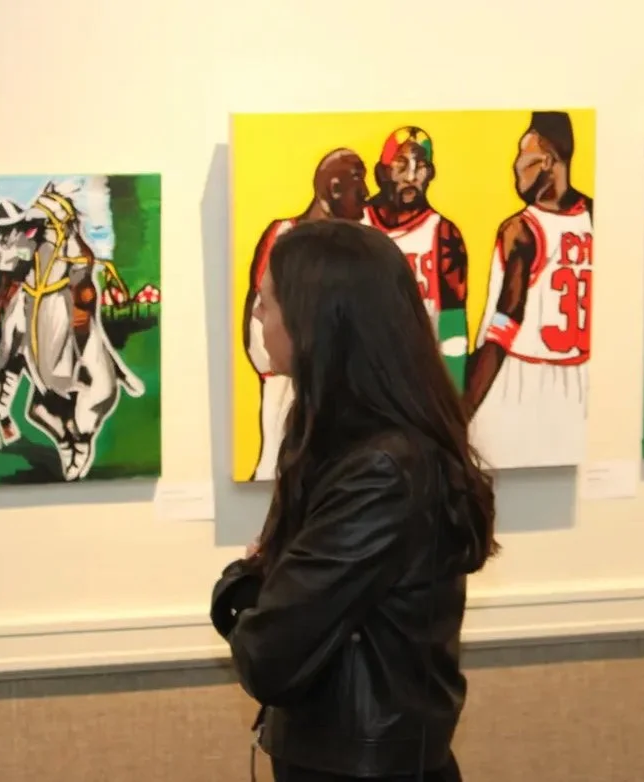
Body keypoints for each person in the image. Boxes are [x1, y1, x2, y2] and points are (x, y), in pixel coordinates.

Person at [212, 219, 497, 782]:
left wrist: (243, 582)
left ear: (314, 319)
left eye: (266, 304)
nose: (258, 319)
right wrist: (269, 580)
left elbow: (269, 656)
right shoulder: (337, 442)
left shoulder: (383, 469)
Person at [465, 111, 593, 468]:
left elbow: (504, 325)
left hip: (522, 381)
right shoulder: (597, 216)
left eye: (523, 155)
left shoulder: (520, 229)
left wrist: (461, 410)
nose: (515, 165)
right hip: (582, 383)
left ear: (548, 160)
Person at [242, 149, 369, 481]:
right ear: (332, 189)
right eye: (358, 180)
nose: (366, 193)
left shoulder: (356, 246)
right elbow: (258, 318)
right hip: (289, 379)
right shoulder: (285, 234)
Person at [360, 127, 469, 388]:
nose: (411, 176)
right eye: (401, 165)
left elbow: (453, 323)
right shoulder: (356, 224)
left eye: (420, 166)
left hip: (418, 382)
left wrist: (454, 393)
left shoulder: (443, 233)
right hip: (363, 377)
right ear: (382, 171)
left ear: (430, 173)